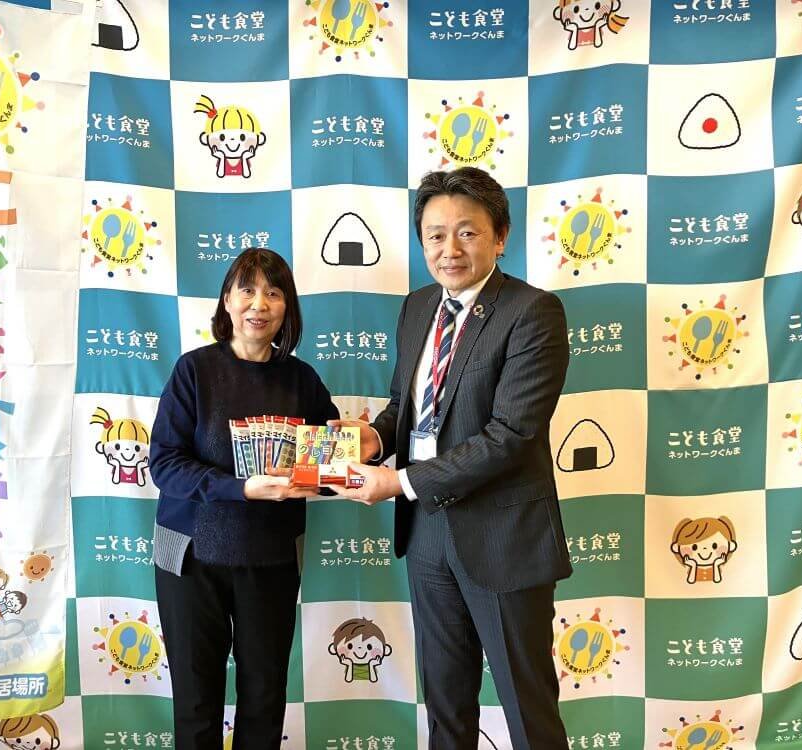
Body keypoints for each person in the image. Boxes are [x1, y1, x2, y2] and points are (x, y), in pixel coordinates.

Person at [331, 167, 572, 749]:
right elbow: (407, 407)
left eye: (467, 232)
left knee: (528, 709)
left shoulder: (532, 311)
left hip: (503, 536)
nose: (449, 249)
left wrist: (399, 481)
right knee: (445, 705)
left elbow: (510, 435)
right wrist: (374, 439)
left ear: (500, 236)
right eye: (435, 235)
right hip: (427, 533)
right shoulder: (417, 308)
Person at [150, 248, 338, 749]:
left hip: (271, 559)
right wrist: (241, 488)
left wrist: (325, 473)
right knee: (195, 700)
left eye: (273, 293)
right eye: (247, 290)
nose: (260, 304)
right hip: (189, 558)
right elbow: (164, 464)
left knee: (264, 697)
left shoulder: (302, 380)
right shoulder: (193, 371)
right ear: (227, 301)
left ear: (287, 306)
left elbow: (330, 464)